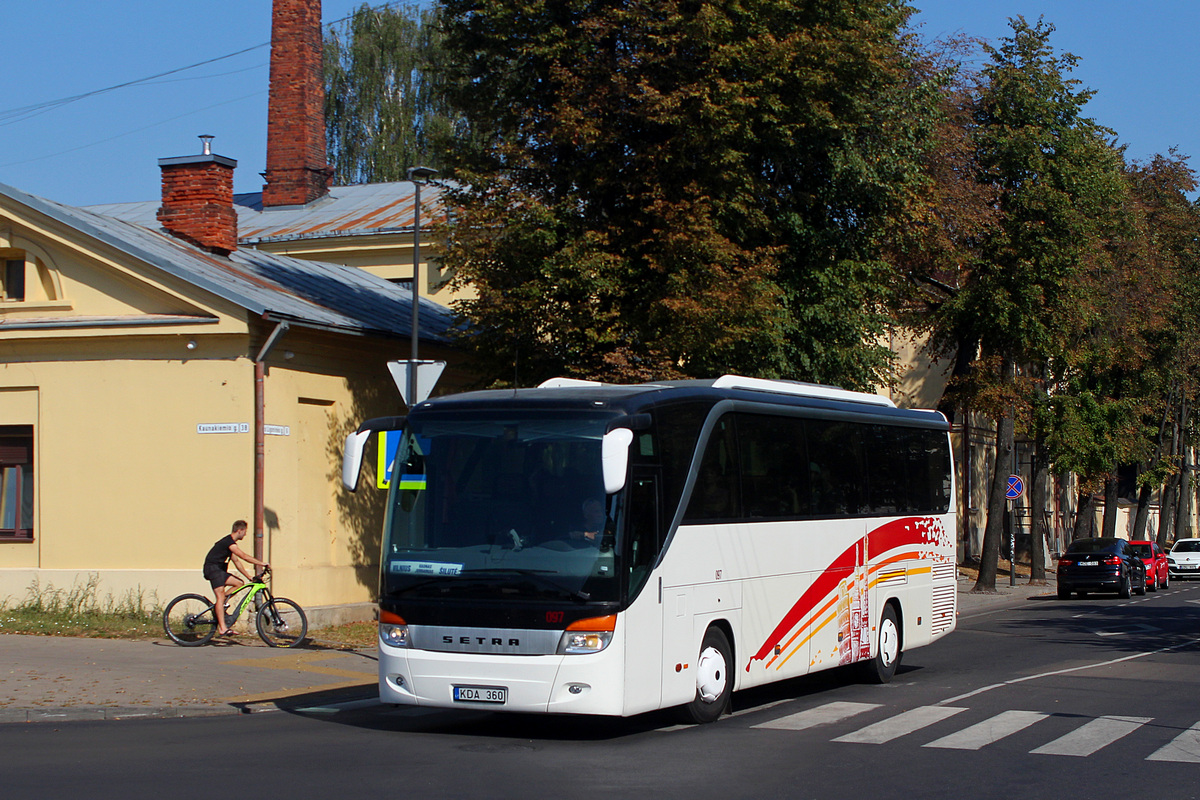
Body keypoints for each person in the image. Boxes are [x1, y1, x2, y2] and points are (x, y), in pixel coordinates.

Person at [203, 520, 269, 636]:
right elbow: (243, 556)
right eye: (245, 532)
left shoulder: (230, 544)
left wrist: (249, 577)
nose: (245, 534)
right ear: (240, 530)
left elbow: (237, 562)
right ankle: (223, 628)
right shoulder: (229, 542)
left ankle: (222, 602)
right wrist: (262, 563)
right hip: (213, 569)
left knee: (239, 583)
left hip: (218, 570)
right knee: (220, 595)